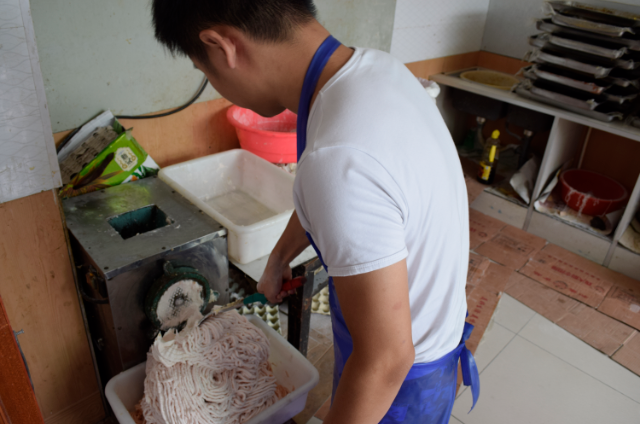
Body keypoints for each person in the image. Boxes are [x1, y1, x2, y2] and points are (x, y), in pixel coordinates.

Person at [152, 1, 478, 423]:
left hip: (401, 382)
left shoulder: (337, 156)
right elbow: (336, 193)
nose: (215, 84)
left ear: (222, 46)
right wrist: (279, 258)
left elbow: (386, 360)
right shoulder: (376, 70)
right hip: (429, 336)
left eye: (205, 71)